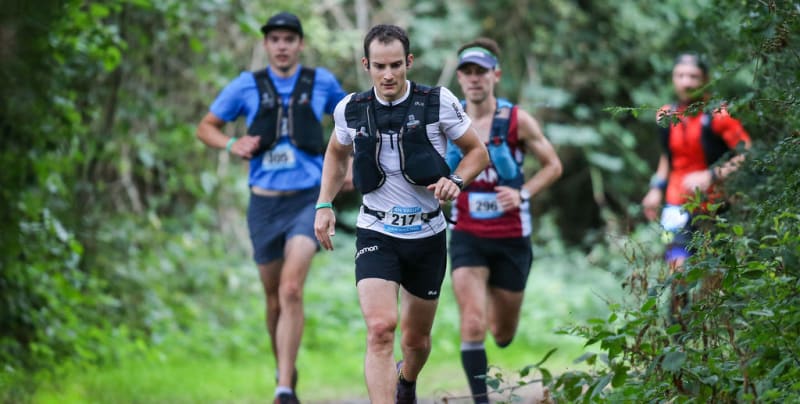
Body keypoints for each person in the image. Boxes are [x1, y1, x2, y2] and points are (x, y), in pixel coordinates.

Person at [313, 24, 489, 404]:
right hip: (376, 230)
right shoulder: (350, 109)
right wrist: (324, 204)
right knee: (380, 328)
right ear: (366, 65)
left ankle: (406, 381)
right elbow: (335, 154)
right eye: (379, 66)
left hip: (427, 235)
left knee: (415, 340)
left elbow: (478, 153)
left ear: (408, 62)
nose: (388, 74)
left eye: (396, 65)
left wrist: (456, 180)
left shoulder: (437, 102)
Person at [195, 11, 347, 404]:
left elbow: (353, 123)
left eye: (289, 39)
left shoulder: (321, 83)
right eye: (275, 39)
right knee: (273, 298)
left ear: (300, 44)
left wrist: (347, 169)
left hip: (308, 201)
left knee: (292, 288)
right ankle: (286, 368)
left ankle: (282, 390)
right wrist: (231, 144)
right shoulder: (246, 86)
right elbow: (206, 127)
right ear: (266, 45)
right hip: (263, 206)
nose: (282, 46)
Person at [444, 38, 563, 403]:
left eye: (481, 72)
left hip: (511, 237)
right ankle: (482, 400)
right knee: (474, 324)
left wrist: (522, 193)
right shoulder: (449, 119)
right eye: (467, 72)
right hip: (466, 235)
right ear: (460, 78)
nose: (474, 79)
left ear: (495, 75)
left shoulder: (517, 120)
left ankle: (499, 307)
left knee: (502, 333)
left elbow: (554, 166)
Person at [641, 52, 751, 326]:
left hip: (714, 205)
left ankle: (712, 337)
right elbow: (668, 156)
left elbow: (745, 152)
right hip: (675, 202)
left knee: (714, 274)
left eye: (693, 76)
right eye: (680, 75)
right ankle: (677, 339)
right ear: (673, 79)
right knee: (676, 268)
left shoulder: (718, 114)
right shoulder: (665, 115)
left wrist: (712, 174)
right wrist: (656, 187)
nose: (686, 82)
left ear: (705, 80)